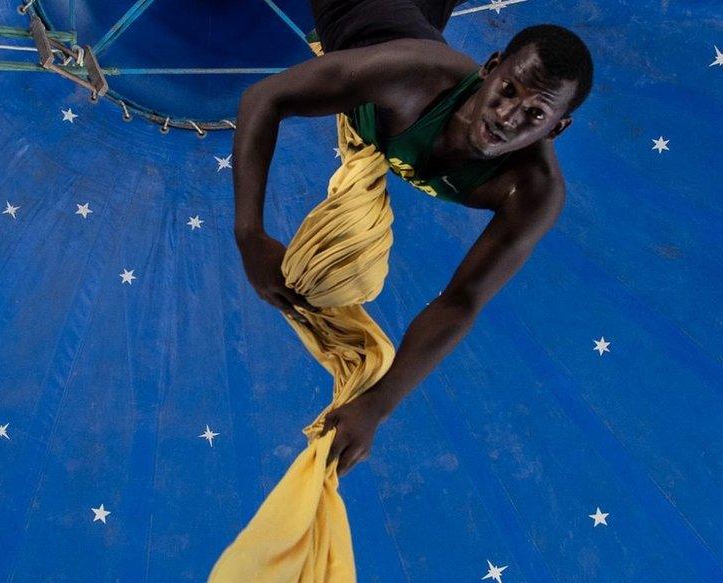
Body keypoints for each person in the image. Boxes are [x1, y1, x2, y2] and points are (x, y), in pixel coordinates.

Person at [232, 2, 594, 475]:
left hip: (412, 18)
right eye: (507, 90)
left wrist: (378, 405)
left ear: (557, 128)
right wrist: (249, 233)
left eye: (535, 113)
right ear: (488, 69)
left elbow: (462, 300)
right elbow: (264, 98)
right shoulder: (416, 77)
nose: (507, 116)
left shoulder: (532, 191)